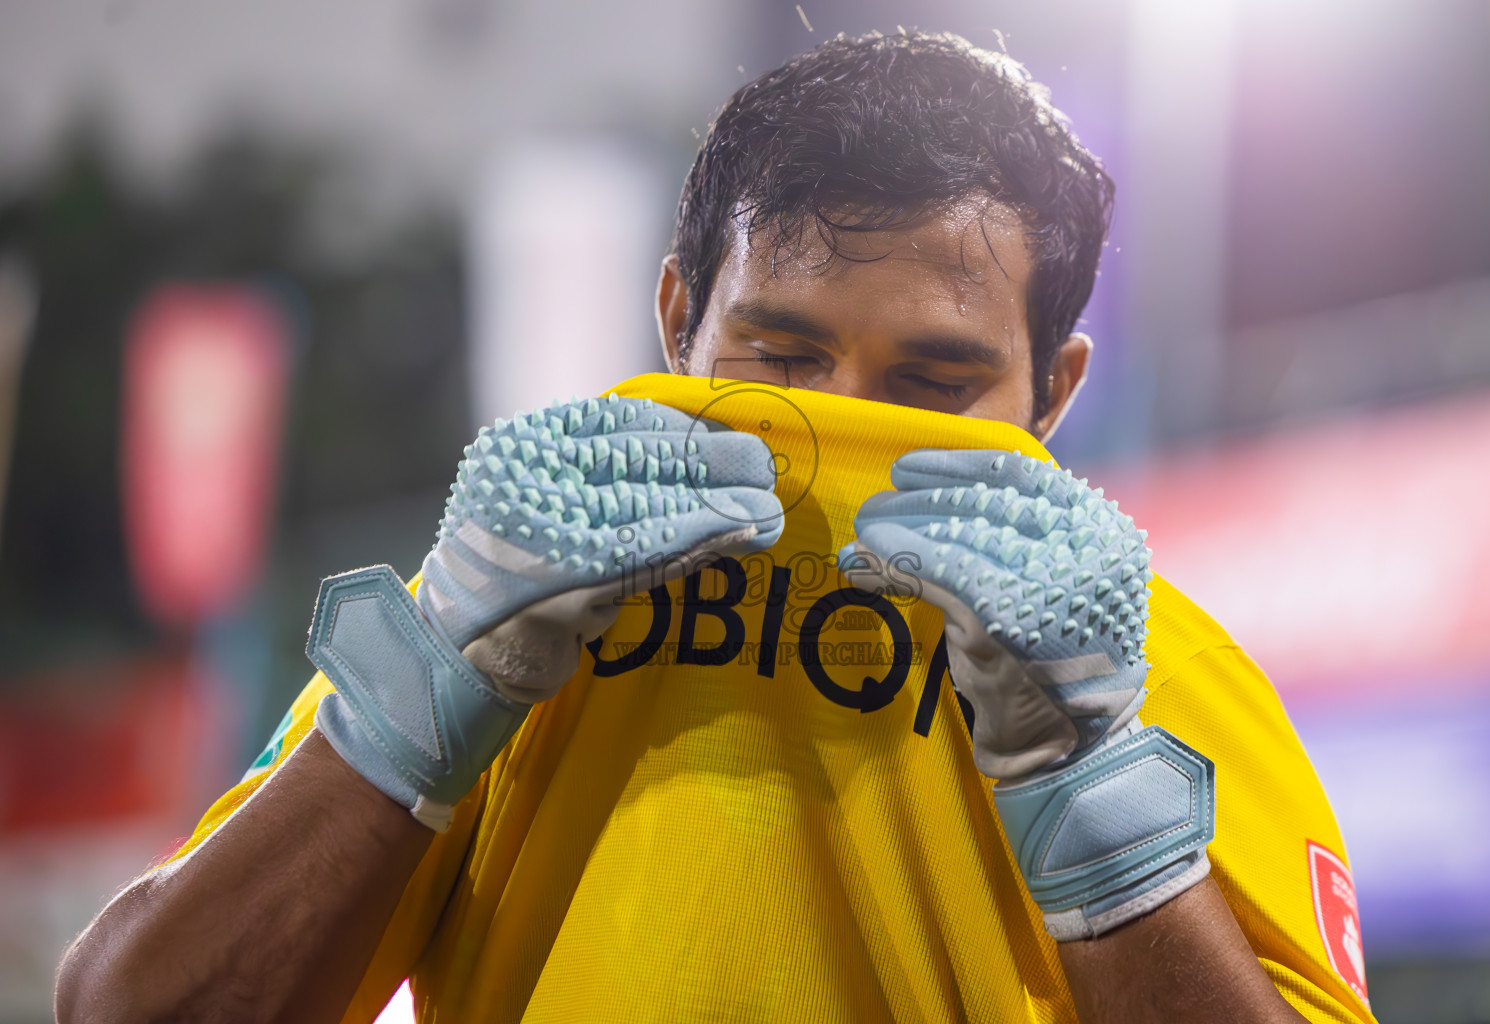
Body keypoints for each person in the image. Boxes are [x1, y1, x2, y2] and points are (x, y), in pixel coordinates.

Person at [56, 31, 1375, 1024]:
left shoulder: (1160, 671)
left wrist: (1098, 794)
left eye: (931, 385)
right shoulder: (500, 603)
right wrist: (431, 693)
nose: (834, 426)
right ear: (678, 315)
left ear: (1058, 390)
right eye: (780, 354)